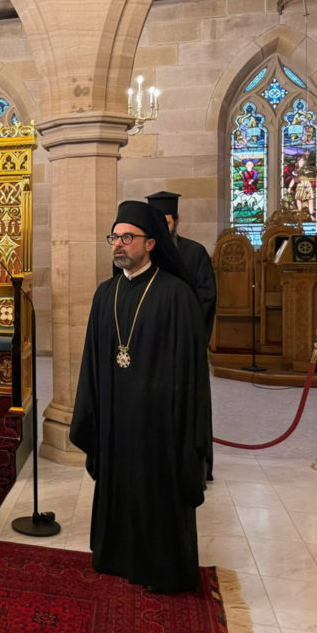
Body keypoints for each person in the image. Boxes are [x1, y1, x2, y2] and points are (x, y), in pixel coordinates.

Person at [70, 201, 211, 593]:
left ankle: (160, 566)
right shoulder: (105, 294)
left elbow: (189, 371)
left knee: (156, 490)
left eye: (126, 237)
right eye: (114, 237)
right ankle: (115, 555)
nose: (118, 244)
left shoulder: (176, 294)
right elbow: (94, 363)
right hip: (116, 417)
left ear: (151, 243)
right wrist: (92, 411)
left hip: (159, 423)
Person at [147, 190, 217, 481]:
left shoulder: (194, 252)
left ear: (176, 221)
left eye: (167, 221)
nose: (164, 227)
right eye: (157, 222)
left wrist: (185, 334)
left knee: (189, 404)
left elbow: (207, 296)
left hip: (185, 345)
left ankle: (195, 467)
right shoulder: (145, 253)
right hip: (150, 346)